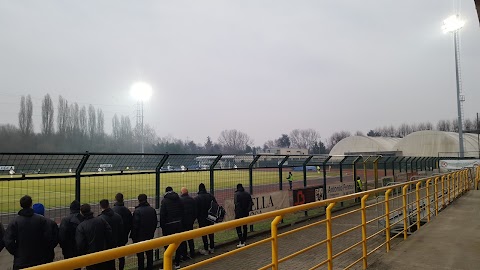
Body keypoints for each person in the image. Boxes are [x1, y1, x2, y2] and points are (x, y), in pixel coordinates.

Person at [4, 195, 51, 269]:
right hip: (39, 259)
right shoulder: (41, 220)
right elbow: (48, 237)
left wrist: (17, 253)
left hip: (21, 261)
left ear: (21, 205)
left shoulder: (15, 222)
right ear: (31, 204)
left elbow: (8, 241)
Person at [76, 203, 114, 270]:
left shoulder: (81, 226)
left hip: (91, 256)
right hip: (103, 253)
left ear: (81, 213)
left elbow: (80, 244)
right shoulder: (101, 220)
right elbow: (109, 234)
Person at [131, 194, 158, 270]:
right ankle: (150, 268)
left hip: (140, 237)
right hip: (149, 235)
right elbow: (155, 222)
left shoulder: (137, 211)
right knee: (149, 254)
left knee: (140, 256)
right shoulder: (151, 209)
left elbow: (135, 226)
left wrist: (134, 237)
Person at [160, 186, 184, 269]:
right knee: (177, 244)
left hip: (168, 226)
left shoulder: (164, 201)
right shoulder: (179, 199)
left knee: (167, 245)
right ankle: (177, 263)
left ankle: (168, 264)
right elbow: (182, 211)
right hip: (178, 224)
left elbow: (162, 215)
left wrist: (162, 226)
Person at [59, 200, 84, 264]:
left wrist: (63, 247)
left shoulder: (65, 220)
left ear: (70, 209)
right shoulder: (83, 219)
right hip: (79, 249)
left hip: (68, 249)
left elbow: (62, 237)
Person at [195, 183, 217, 255]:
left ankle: (206, 249)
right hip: (210, 217)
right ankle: (212, 247)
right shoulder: (210, 196)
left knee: (204, 234)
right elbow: (215, 206)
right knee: (211, 233)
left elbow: (196, 210)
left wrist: (197, 217)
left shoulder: (197, 198)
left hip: (202, 218)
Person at [113, 193, 133, 270]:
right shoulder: (127, 211)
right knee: (121, 255)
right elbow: (130, 223)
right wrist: (126, 233)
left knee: (112, 254)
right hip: (123, 236)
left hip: (114, 236)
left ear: (115, 199)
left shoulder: (112, 211)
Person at [179, 187, 197, 259]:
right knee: (190, 238)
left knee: (183, 239)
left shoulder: (180, 200)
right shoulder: (192, 200)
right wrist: (193, 219)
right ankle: (192, 253)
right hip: (190, 222)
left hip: (183, 222)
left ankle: (184, 254)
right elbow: (195, 211)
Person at [234, 183, 253, 247]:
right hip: (245, 212)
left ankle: (241, 241)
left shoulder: (237, 194)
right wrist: (247, 210)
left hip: (239, 213)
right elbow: (251, 203)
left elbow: (236, 204)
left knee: (238, 226)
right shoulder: (247, 194)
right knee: (245, 226)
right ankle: (244, 239)